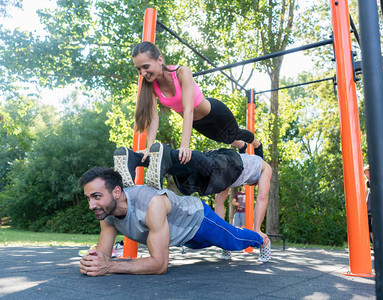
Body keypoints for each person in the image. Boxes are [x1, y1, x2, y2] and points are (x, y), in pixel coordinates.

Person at [78, 166, 271, 276]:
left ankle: (262, 240)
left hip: (198, 220)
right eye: (89, 198)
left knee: (234, 239)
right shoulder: (107, 213)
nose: (91, 205)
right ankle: (223, 243)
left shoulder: (150, 203)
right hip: (183, 238)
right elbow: (102, 258)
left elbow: (159, 265)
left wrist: (110, 266)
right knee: (211, 243)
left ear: (117, 192)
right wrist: (91, 262)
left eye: (96, 196)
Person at [131, 41, 264, 164]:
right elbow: (153, 118)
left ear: (159, 60)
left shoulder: (181, 72)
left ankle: (257, 144)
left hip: (215, 113)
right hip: (198, 124)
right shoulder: (151, 87)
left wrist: (184, 146)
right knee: (224, 139)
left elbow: (188, 109)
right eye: (138, 69)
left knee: (234, 134)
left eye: (146, 67)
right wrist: (149, 148)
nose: (143, 73)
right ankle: (241, 145)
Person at [114, 144, 271, 238]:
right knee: (210, 169)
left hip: (222, 167)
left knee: (186, 175)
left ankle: (134, 158)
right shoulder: (265, 167)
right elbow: (262, 198)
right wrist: (257, 229)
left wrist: (222, 229)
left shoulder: (232, 178)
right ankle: (167, 153)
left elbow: (219, 202)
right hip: (228, 161)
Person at [364, 164, 373, 244]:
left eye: (368, 173)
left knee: (374, 226)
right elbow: (365, 194)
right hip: (368, 207)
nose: (367, 175)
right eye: (366, 173)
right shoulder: (367, 183)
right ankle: (374, 244)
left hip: (375, 207)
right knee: (370, 228)